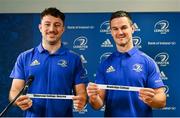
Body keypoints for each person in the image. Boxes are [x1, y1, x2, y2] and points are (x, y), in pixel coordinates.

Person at [9, 7, 88, 117]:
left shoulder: (74, 59)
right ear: (40, 27)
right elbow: (14, 91)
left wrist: (81, 100)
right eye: (47, 24)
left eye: (57, 25)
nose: (52, 29)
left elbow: (81, 93)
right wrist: (18, 99)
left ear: (63, 29)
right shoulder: (24, 57)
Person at [87, 11, 166, 117]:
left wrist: (152, 99)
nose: (120, 32)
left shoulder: (148, 62)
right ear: (111, 32)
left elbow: (162, 100)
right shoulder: (105, 64)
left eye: (124, 27)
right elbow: (97, 105)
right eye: (115, 29)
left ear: (132, 29)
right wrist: (94, 97)